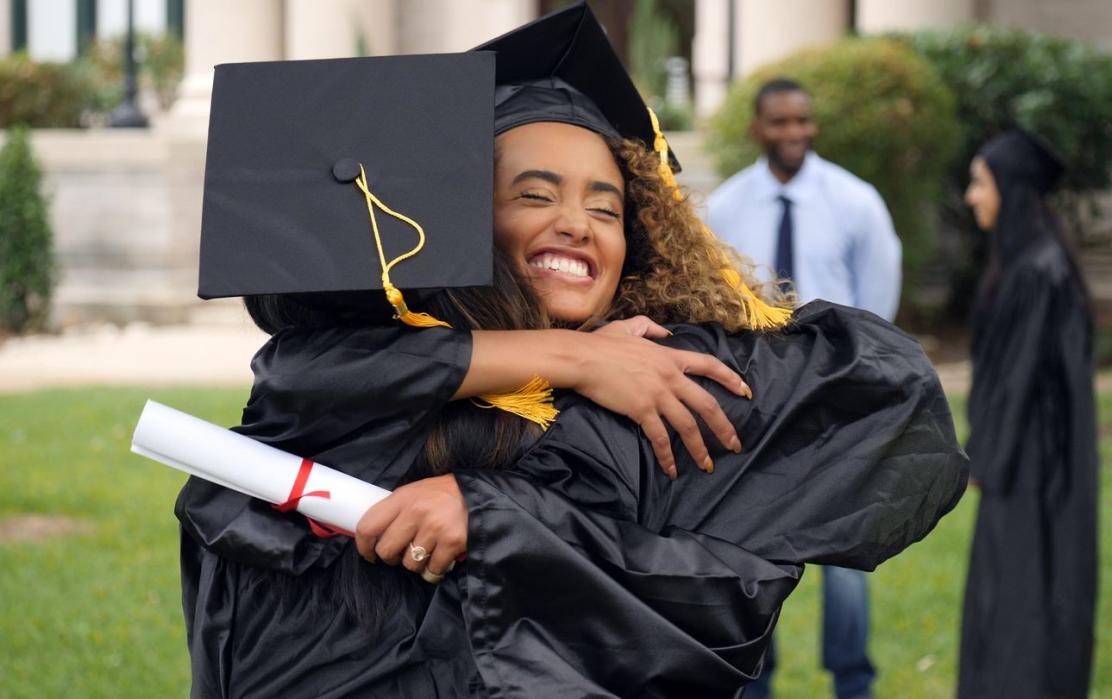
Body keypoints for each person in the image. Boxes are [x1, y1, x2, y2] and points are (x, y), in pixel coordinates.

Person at [176, 4, 967, 697]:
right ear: (462, 219)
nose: (577, 223)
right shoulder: (379, 366)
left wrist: (490, 511)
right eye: (534, 193)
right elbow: (296, 376)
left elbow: (885, 404)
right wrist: (572, 356)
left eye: (606, 206)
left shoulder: (662, 381)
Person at [707, 77, 902, 699]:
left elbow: (879, 307)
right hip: (755, 408)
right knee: (753, 555)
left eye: (802, 122)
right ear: (758, 128)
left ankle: (853, 683)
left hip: (836, 406)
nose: (794, 133)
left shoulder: (856, 201)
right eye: (780, 122)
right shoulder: (726, 208)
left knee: (845, 563)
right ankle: (756, 683)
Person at [957, 129, 1098, 699]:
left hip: (1037, 472)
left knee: (1022, 601)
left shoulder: (1037, 273)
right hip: (1038, 465)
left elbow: (1015, 383)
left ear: (1010, 190)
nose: (971, 197)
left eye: (980, 182)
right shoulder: (1038, 263)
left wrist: (985, 460)